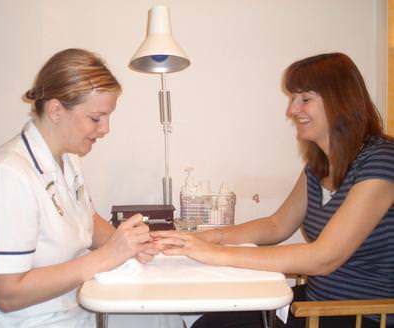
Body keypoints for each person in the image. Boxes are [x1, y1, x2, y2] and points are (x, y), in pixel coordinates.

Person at [152, 53, 394, 328]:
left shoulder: (382, 162)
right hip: (315, 307)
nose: (292, 110)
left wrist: (216, 254)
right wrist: (206, 238)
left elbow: (324, 258)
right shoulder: (319, 167)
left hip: (364, 317)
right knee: (211, 323)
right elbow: (277, 225)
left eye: (305, 99)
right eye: (293, 99)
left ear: (340, 102)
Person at [0, 48, 183, 328]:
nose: (105, 129)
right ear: (55, 110)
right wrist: (106, 257)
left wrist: (129, 246)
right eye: (96, 117)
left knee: (166, 317)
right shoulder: (6, 175)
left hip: (69, 309)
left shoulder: (66, 159)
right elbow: (7, 294)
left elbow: (86, 219)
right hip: (23, 321)